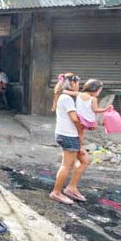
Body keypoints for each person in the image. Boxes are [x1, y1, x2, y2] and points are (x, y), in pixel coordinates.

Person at [49, 72, 90, 205]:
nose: (79, 86)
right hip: (68, 135)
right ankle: (56, 192)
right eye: (78, 83)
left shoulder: (64, 96)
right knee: (67, 165)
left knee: (85, 160)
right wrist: (85, 124)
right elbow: (74, 118)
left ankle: (71, 188)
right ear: (72, 83)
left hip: (68, 134)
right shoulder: (66, 98)